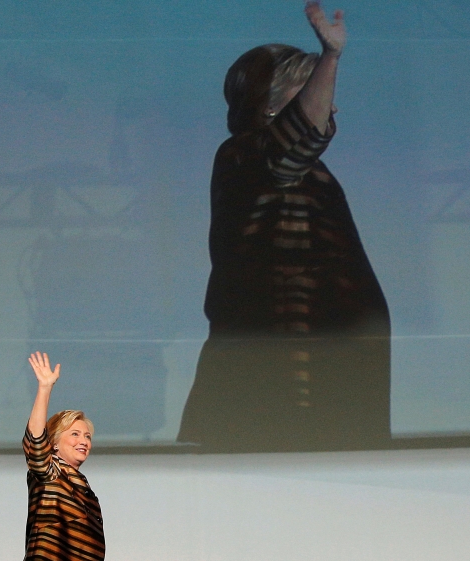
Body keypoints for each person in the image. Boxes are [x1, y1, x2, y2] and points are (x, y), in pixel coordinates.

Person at [177, 2, 391, 452]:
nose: (331, 102)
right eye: (311, 86)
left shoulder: (311, 176)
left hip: (330, 382)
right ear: (270, 103)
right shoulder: (245, 156)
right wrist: (330, 56)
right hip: (278, 386)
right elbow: (297, 141)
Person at [23, 351, 105, 561]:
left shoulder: (84, 491)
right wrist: (45, 388)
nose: (84, 441)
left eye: (87, 436)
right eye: (75, 434)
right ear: (54, 443)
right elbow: (36, 441)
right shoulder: (50, 473)